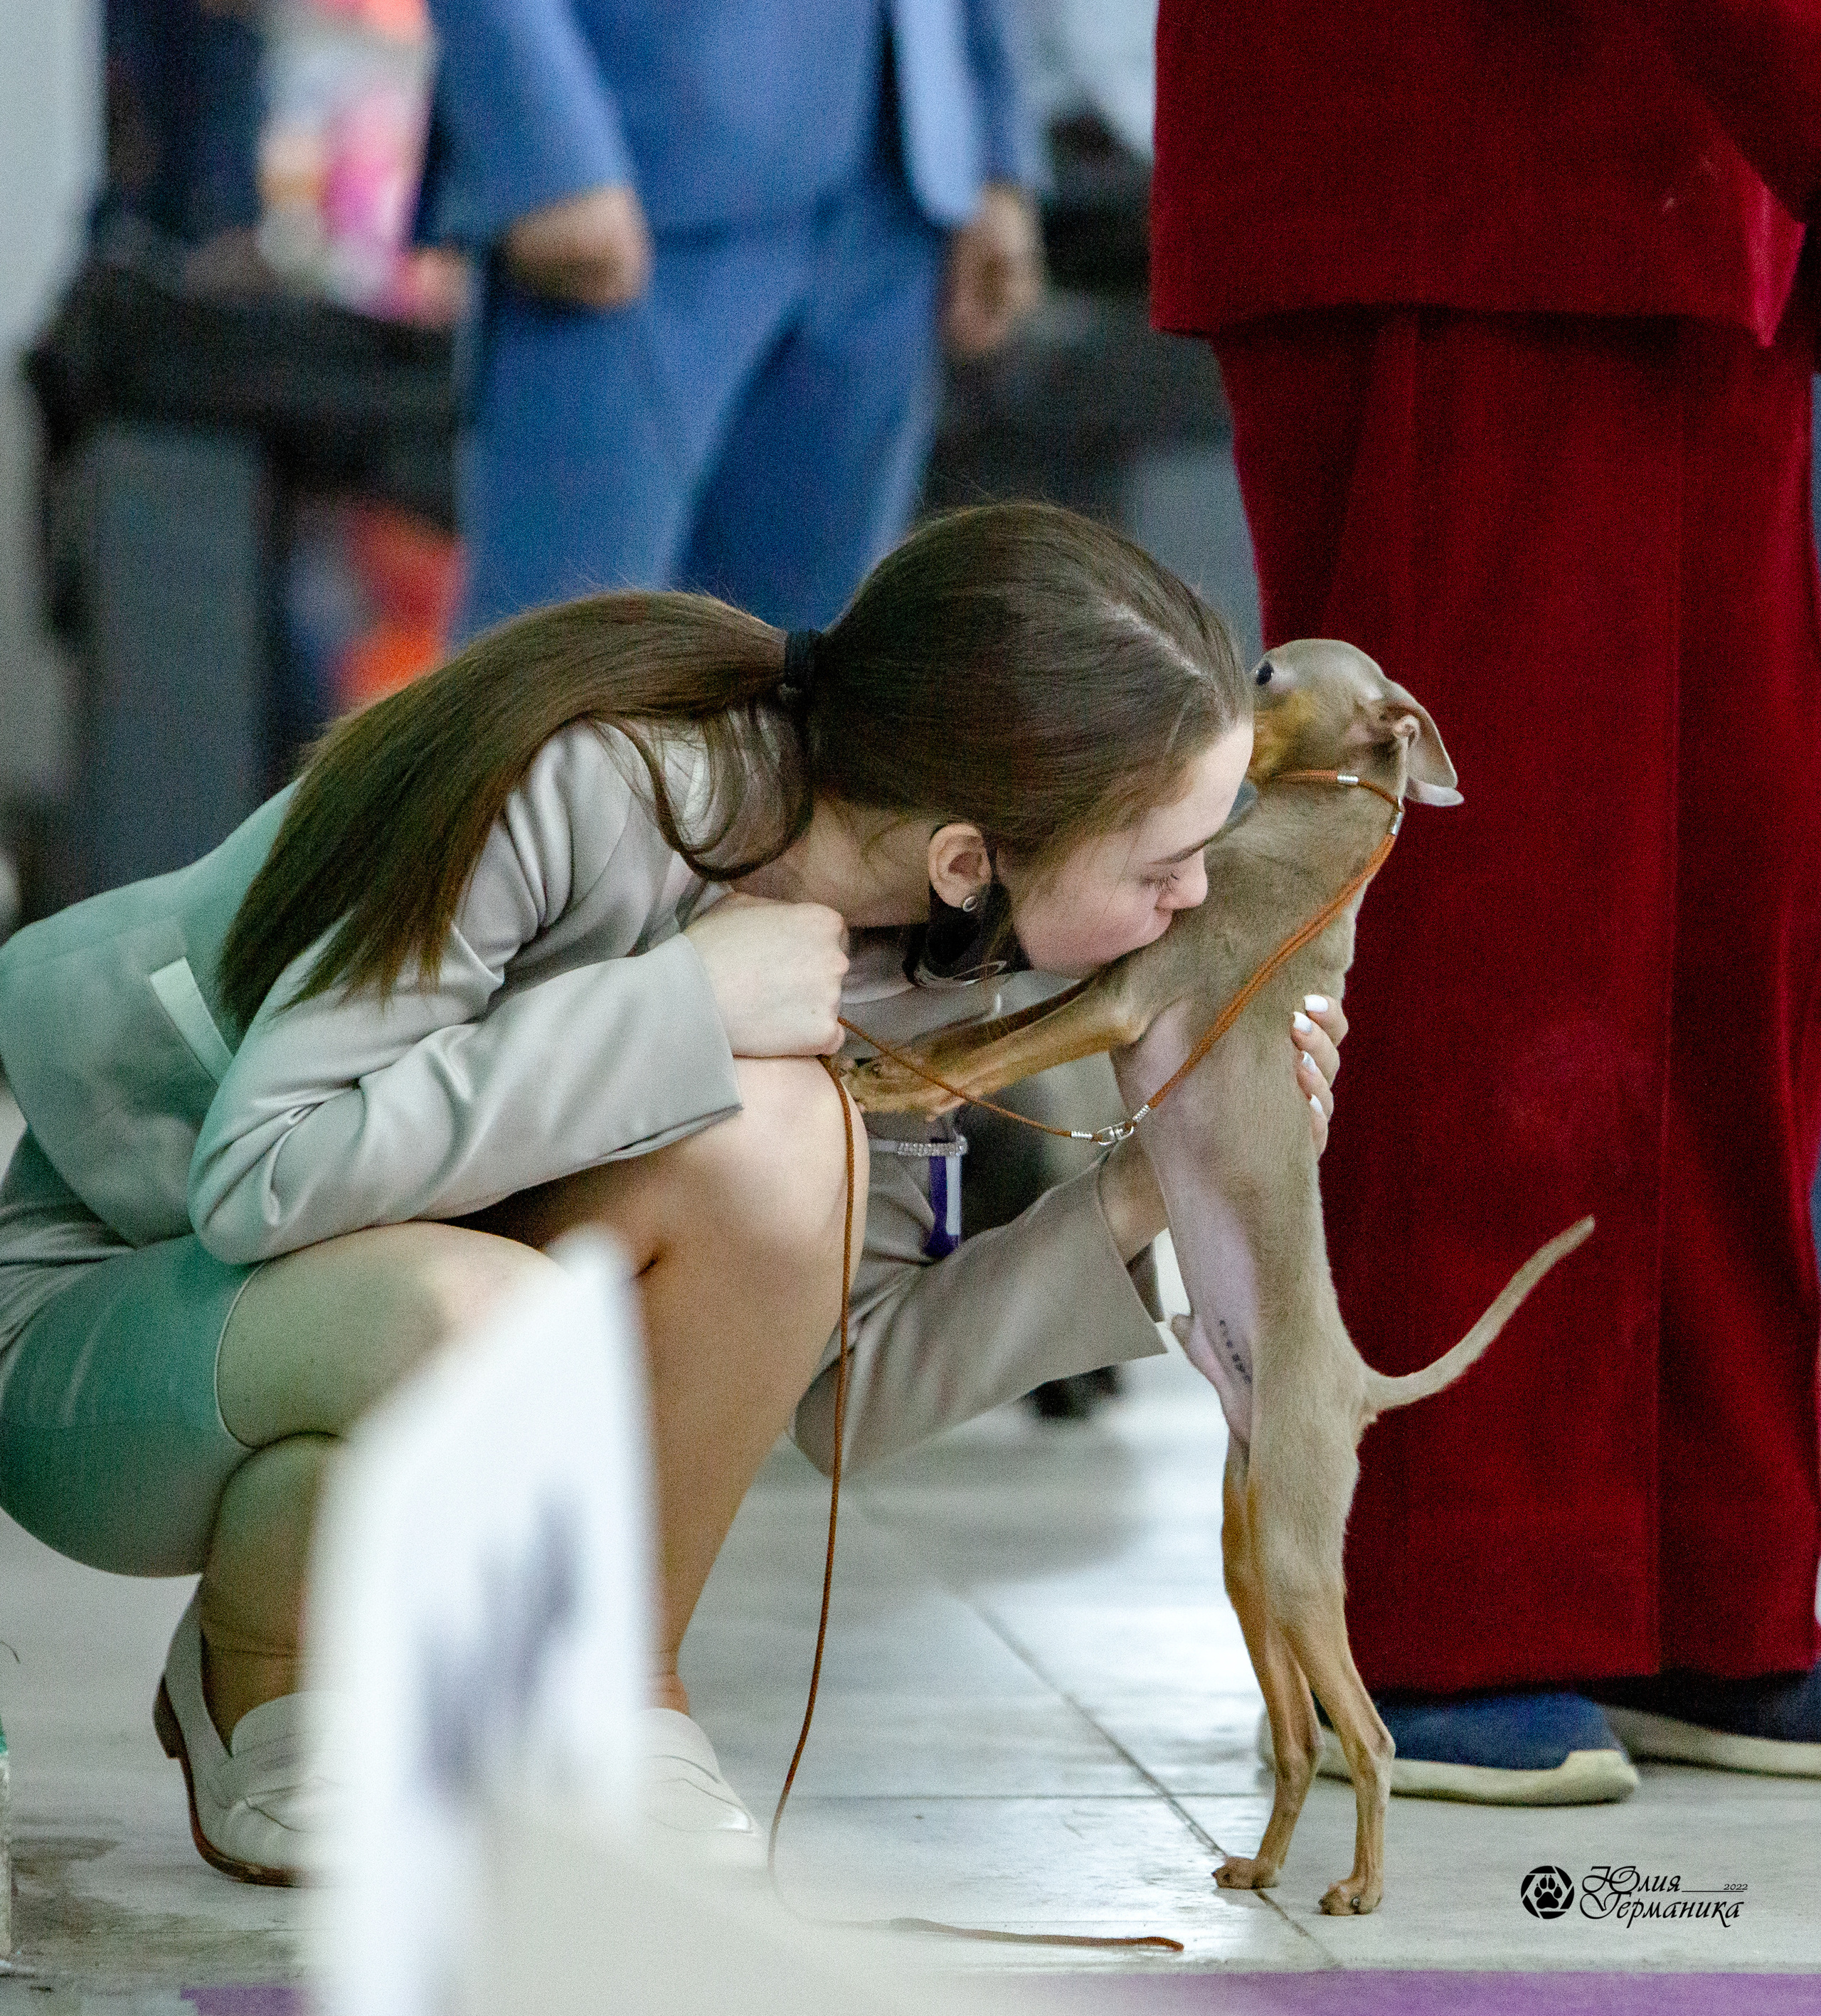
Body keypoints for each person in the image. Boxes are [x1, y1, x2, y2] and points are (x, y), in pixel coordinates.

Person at [0, 503, 1346, 1882]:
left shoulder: (920, 955)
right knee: (508, 1303)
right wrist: (677, 1007)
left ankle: (610, 1688)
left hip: (380, 1347)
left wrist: (1138, 1190)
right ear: (965, 853)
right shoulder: (592, 783)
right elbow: (261, 1171)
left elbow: (838, 1393)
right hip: (116, 1326)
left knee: (774, 1137)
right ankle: (265, 1665)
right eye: (1161, 866)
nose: (1195, 901)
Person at [1151, 2, 1821, 1794]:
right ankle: (1437, 1584)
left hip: (1692, 190)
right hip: (1448, 160)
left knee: (1721, 932)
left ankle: (1706, 1573)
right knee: (1488, 934)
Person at [420, 0, 1046, 637]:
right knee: (553, 691)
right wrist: (540, 148)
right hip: (640, 179)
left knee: (812, 704)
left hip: (899, 174)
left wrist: (995, 140)